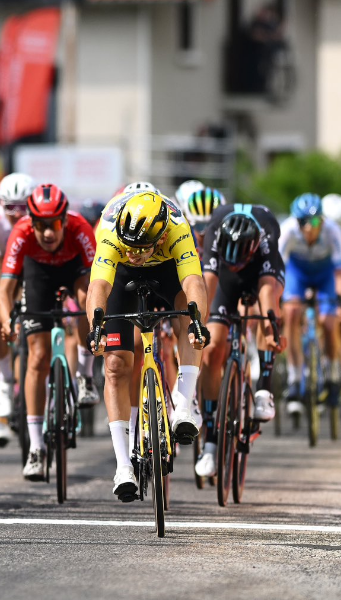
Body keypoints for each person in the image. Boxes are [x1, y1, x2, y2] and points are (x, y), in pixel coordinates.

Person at [86, 190, 209, 502]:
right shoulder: (111, 231)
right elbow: (99, 285)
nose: (135, 252)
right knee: (115, 365)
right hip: (122, 277)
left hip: (165, 268)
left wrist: (197, 322)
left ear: (162, 233)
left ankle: (183, 404)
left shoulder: (178, 228)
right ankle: (122, 465)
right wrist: (96, 328)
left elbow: (194, 281)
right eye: (131, 245)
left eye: (142, 247)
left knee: (189, 314)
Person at [0, 183, 96, 480]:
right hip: (38, 273)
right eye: (41, 225)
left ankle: (86, 375)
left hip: (75, 268)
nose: (48, 233)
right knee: (37, 358)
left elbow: (98, 284)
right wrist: (6, 321)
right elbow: (4, 290)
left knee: (85, 300)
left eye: (53, 225)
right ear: (32, 222)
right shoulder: (22, 232)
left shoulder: (80, 228)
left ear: (64, 220)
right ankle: (36, 448)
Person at [194, 205, 284, 478]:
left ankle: (264, 390)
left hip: (258, 273)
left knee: (268, 319)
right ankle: (210, 440)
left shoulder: (267, 235)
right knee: (211, 351)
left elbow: (269, 292)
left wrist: (272, 326)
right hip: (224, 278)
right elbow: (207, 283)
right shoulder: (213, 231)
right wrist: (198, 323)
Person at [0, 173, 35, 446]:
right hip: (3, 267)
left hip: (32, 266)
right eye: (9, 207)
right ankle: (5, 378)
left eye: (22, 207)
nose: (15, 214)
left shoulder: (39, 220)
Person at [279, 193, 341, 417]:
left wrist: (337, 298)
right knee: (292, 312)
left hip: (325, 275)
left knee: (329, 322)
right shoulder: (287, 231)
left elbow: (338, 273)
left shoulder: (333, 232)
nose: (308, 228)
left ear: (322, 220)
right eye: (302, 222)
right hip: (298, 274)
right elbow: (277, 268)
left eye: (314, 222)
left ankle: (333, 375)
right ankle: (295, 378)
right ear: (296, 221)